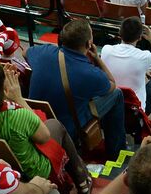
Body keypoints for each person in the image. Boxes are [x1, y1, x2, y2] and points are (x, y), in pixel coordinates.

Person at [0, 55, 90, 190]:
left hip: (5, 165)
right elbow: (44, 136)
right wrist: (18, 98)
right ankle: (82, 179)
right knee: (55, 125)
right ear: (0, 90)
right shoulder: (18, 116)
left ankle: (82, 178)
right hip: (34, 173)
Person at [24, 20, 125, 158]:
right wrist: (97, 59)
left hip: (35, 121)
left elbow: (25, 53)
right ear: (89, 44)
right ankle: (116, 152)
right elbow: (112, 84)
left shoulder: (43, 51)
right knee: (117, 94)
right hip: (67, 127)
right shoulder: (90, 74)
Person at [100, 17, 151, 123]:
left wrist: (143, 69)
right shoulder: (145, 57)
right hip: (134, 114)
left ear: (119, 33)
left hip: (109, 109)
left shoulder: (106, 50)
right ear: (140, 37)